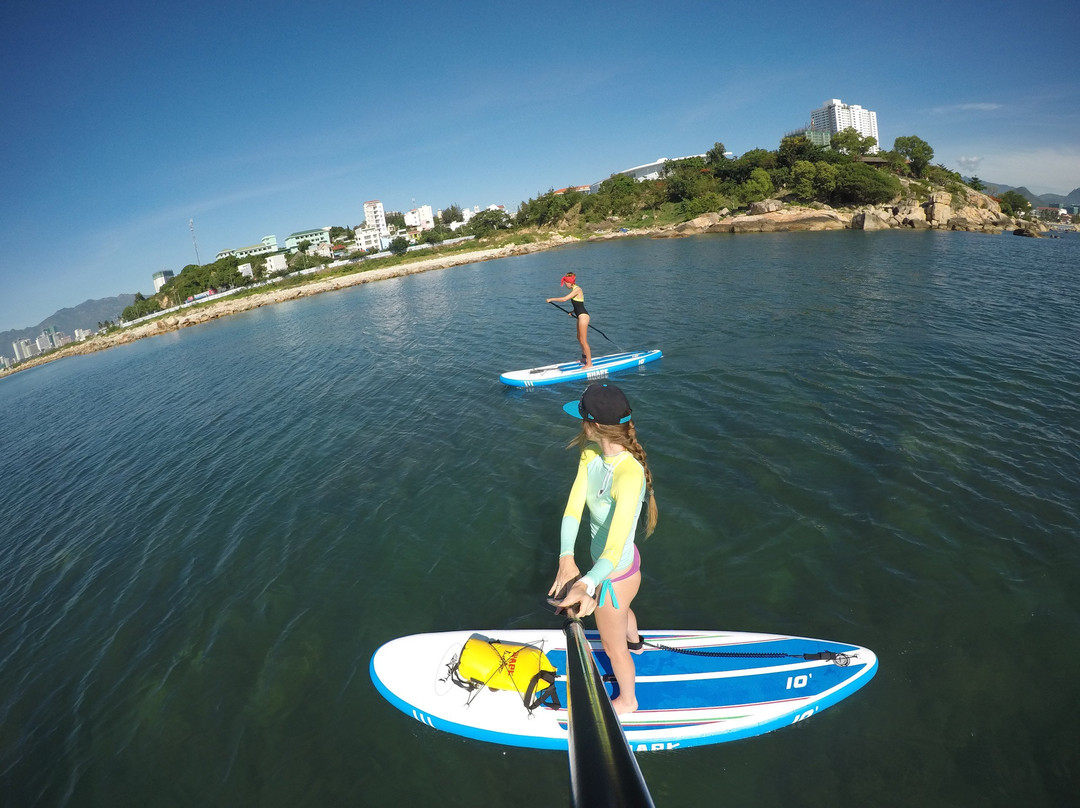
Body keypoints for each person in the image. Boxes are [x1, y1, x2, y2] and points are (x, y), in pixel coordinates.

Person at [549, 382, 658, 715]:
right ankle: (636, 642)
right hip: (616, 569)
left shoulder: (630, 475)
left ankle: (628, 700)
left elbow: (611, 554)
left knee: (612, 647)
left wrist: (586, 584)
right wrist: (566, 558)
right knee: (622, 616)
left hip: (616, 575)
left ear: (594, 425)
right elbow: (572, 509)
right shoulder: (590, 455)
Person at [546, 272, 592, 368]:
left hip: (583, 317)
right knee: (578, 338)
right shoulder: (574, 289)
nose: (565, 285)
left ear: (569, 282)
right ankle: (584, 357)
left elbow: (564, 299)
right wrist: (573, 312)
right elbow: (578, 304)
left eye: (565, 283)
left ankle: (589, 363)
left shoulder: (577, 289)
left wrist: (551, 299)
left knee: (583, 340)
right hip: (579, 315)